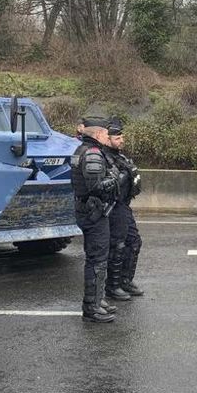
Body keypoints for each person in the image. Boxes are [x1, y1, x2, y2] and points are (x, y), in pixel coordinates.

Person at [71, 116, 122, 322]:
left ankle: (97, 300)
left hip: (91, 211)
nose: (106, 135)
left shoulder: (83, 150)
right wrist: (115, 178)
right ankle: (91, 307)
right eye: (104, 132)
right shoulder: (92, 153)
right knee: (96, 260)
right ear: (98, 134)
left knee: (98, 259)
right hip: (93, 212)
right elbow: (95, 186)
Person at [103, 117, 145, 301]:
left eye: (122, 138)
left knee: (134, 242)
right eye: (118, 138)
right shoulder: (104, 157)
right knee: (117, 245)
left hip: (124, 206)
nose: (122, 141)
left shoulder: (120, 157)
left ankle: (126, 280)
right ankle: (113, 286)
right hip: (114, 206)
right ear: (108, 138)